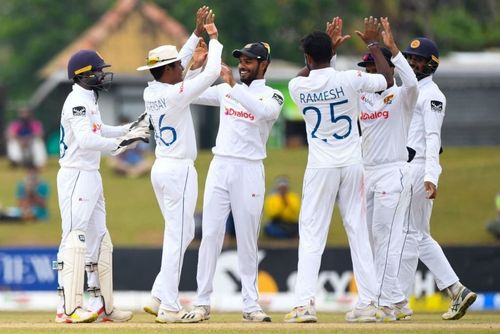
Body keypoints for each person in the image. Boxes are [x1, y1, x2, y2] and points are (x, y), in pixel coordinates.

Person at [284, 17, 394, 323]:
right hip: (352, 164)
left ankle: (305, 305)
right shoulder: (351, 79)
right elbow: (387, 80)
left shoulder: (298, 85)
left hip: (321, 166)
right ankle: (369, 302)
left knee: (311, 233)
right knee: (358, 231)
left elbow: (302, 76)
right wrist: (373, 44)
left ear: (307, 58)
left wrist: (325, 52)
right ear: (332, 56)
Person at [185, 40, 284, 322]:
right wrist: (195, 67)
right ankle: (201, 303)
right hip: (221, 165)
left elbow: (266, 114)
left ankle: (251, 305)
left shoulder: (273, 95)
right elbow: (188, 94)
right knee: (210, 235)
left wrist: (233, 86)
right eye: (241, 60)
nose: (242, 65)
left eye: (249, 61)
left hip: (250, 169)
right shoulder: (225, 91)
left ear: (264, 64)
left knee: (247, 237)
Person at [137, 6, 223, 324]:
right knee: (178, 236)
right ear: (171, 69)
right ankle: (169, 305)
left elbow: (181, 68)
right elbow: (212, 73)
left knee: (182, 233)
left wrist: (195, 33)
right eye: (178, 66)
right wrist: (213, 39)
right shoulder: (175, 94)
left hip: (161, 169)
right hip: (178, 170)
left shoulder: (153, 92)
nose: (183, 69)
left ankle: (160, 293)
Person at [54, 48, 149, 323]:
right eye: (97, 71)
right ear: (82, 75)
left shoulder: (89, 99)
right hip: (76, 175)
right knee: (74, 237)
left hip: (90, 174)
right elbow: (87, 141)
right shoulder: (76, 102)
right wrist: (126, 142)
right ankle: (68, 308)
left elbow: (101, 130)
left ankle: (102, 305)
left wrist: (131, 128)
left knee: (100, 240)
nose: (102, 75)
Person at [398, 37, 477, 320]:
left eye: (418, 60)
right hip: (409, 167)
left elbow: (433, 139)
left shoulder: (432, 94)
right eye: (409, 58)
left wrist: (431, 176)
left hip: (419, 168)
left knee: (408, 234)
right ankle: (456, 290)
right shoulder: (411, 90)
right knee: (418, 236)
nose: (412, 63)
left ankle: (400, 304)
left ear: (431, 64)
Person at [356, 18, 418, 321]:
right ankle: (396, 301)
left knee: (385, 237)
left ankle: (383, 302)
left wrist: (390, 49)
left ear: (388, 67)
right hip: (366, 172)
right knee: (369, 240)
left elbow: (411, 81)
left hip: (394, 171)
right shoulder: (363, 96)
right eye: (367, 67)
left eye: (374, 66)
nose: (371, 72)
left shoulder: (403, 97)